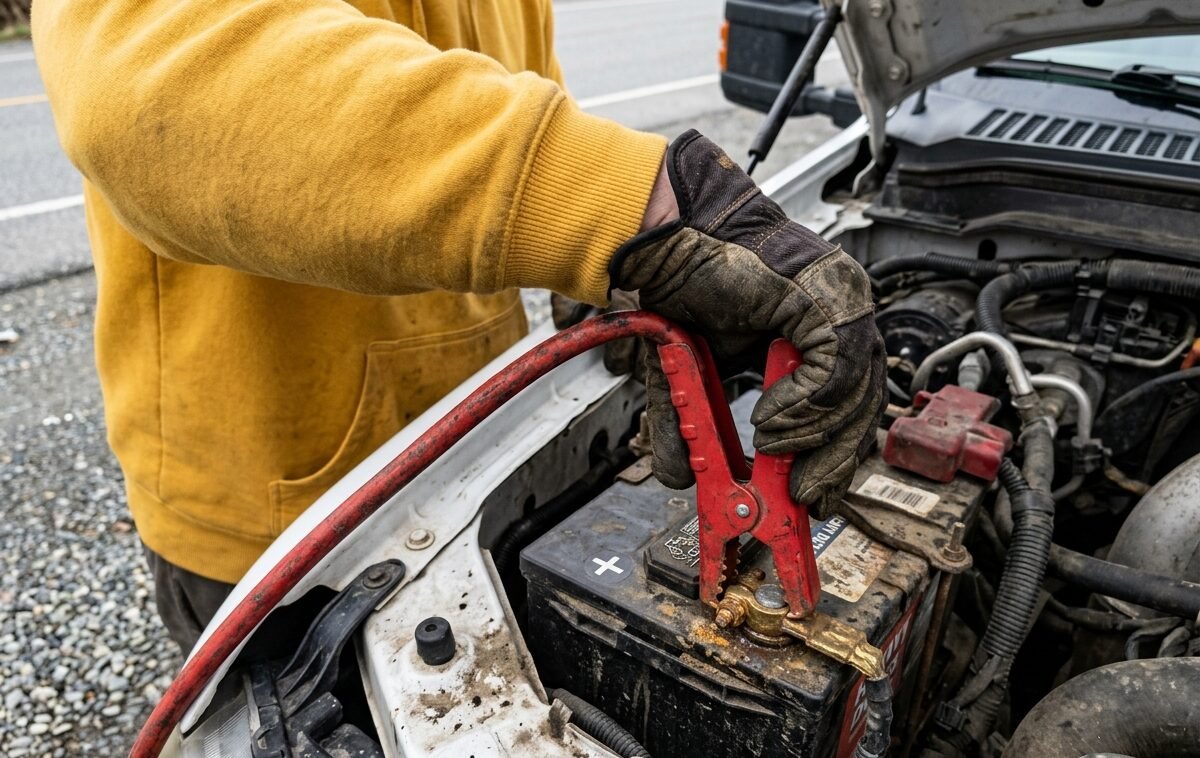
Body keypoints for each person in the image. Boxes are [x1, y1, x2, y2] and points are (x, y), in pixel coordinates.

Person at [33, 0, 885, 652]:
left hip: (476, 449)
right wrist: (634, 206)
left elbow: (511, 99)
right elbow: (157, 94)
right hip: (281, 513)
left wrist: (599, 271)